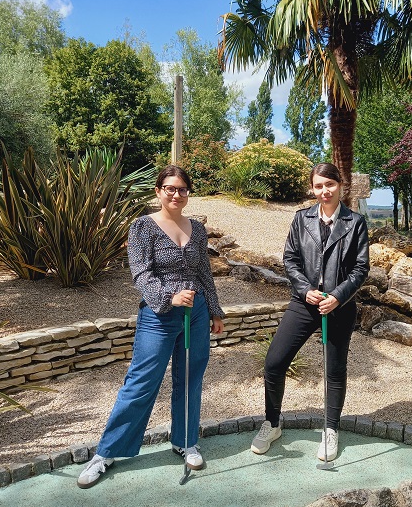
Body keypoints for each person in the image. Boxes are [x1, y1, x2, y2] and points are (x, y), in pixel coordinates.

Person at [77, 165, 224, 488]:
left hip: (197, 314)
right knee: (141, 382)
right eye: (170, 188)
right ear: (158, 191)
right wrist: (170, 297)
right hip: (159, 316)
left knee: (191, 378)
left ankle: (185, 441)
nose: (176, 194)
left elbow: (204, 273)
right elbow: (141, 273)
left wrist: (215, 311)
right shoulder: (143, 226)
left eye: (182, 189)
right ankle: (106, 453)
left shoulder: (197, 229)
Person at [251, 162, 369, 462]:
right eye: (318, 186)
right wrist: (305, 289)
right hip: (304, 303)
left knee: (334, 370)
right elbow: (290, 259)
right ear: (312, 189)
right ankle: (272, 423)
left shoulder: (355, 222)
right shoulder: (301, 218)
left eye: (330, 184)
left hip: (338, 307)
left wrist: (338, 297)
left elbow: (360, 268)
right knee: (274, 362)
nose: (324, 191)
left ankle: (331, 429)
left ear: (340, 185)